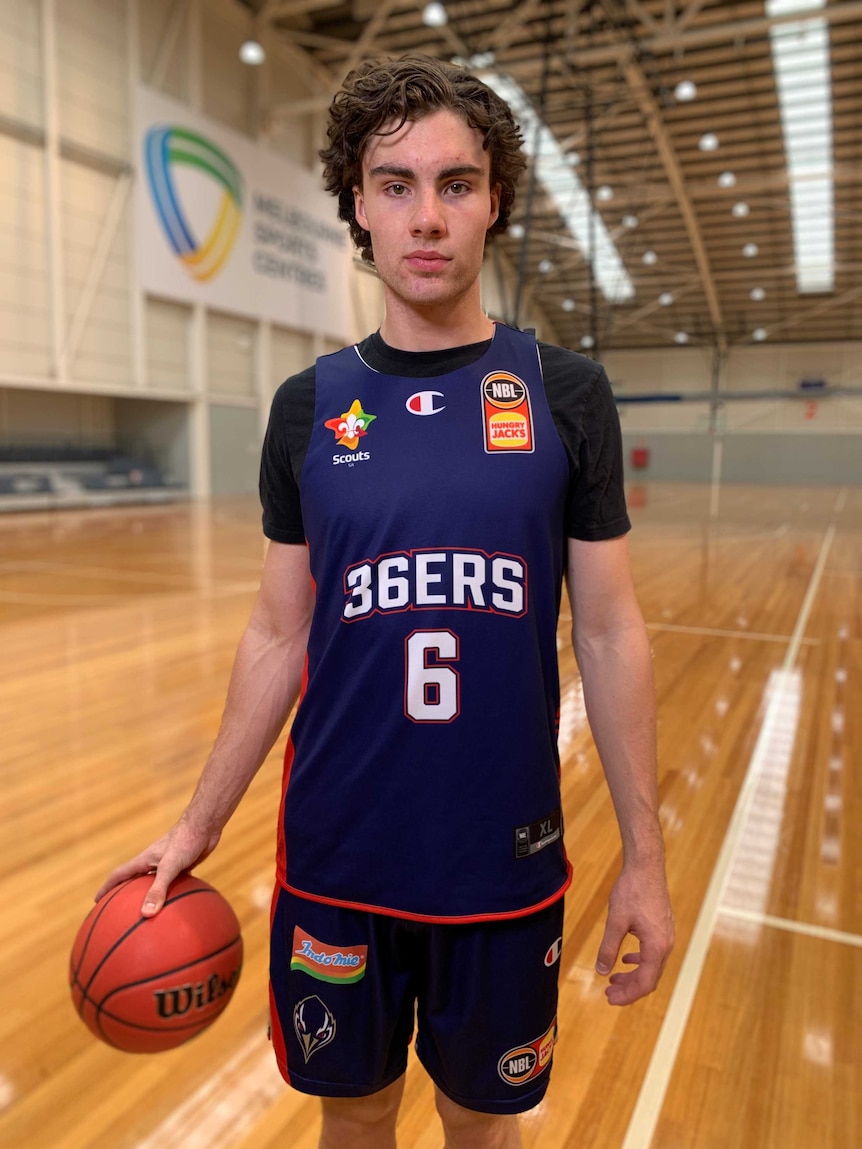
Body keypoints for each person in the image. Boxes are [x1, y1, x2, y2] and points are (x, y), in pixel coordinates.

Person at [97, 54, 673, 1149]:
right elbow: (277, 630)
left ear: (493, 199)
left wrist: (644, 861)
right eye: (394, 183)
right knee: (353, 1116)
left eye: (454, 183)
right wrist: (197, 821)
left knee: (479, 1121)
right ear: (356, 206)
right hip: (338, 858)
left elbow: (607, 628)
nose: (425, 216)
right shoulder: (308, 405)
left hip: (500, 859)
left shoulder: (564, 394)